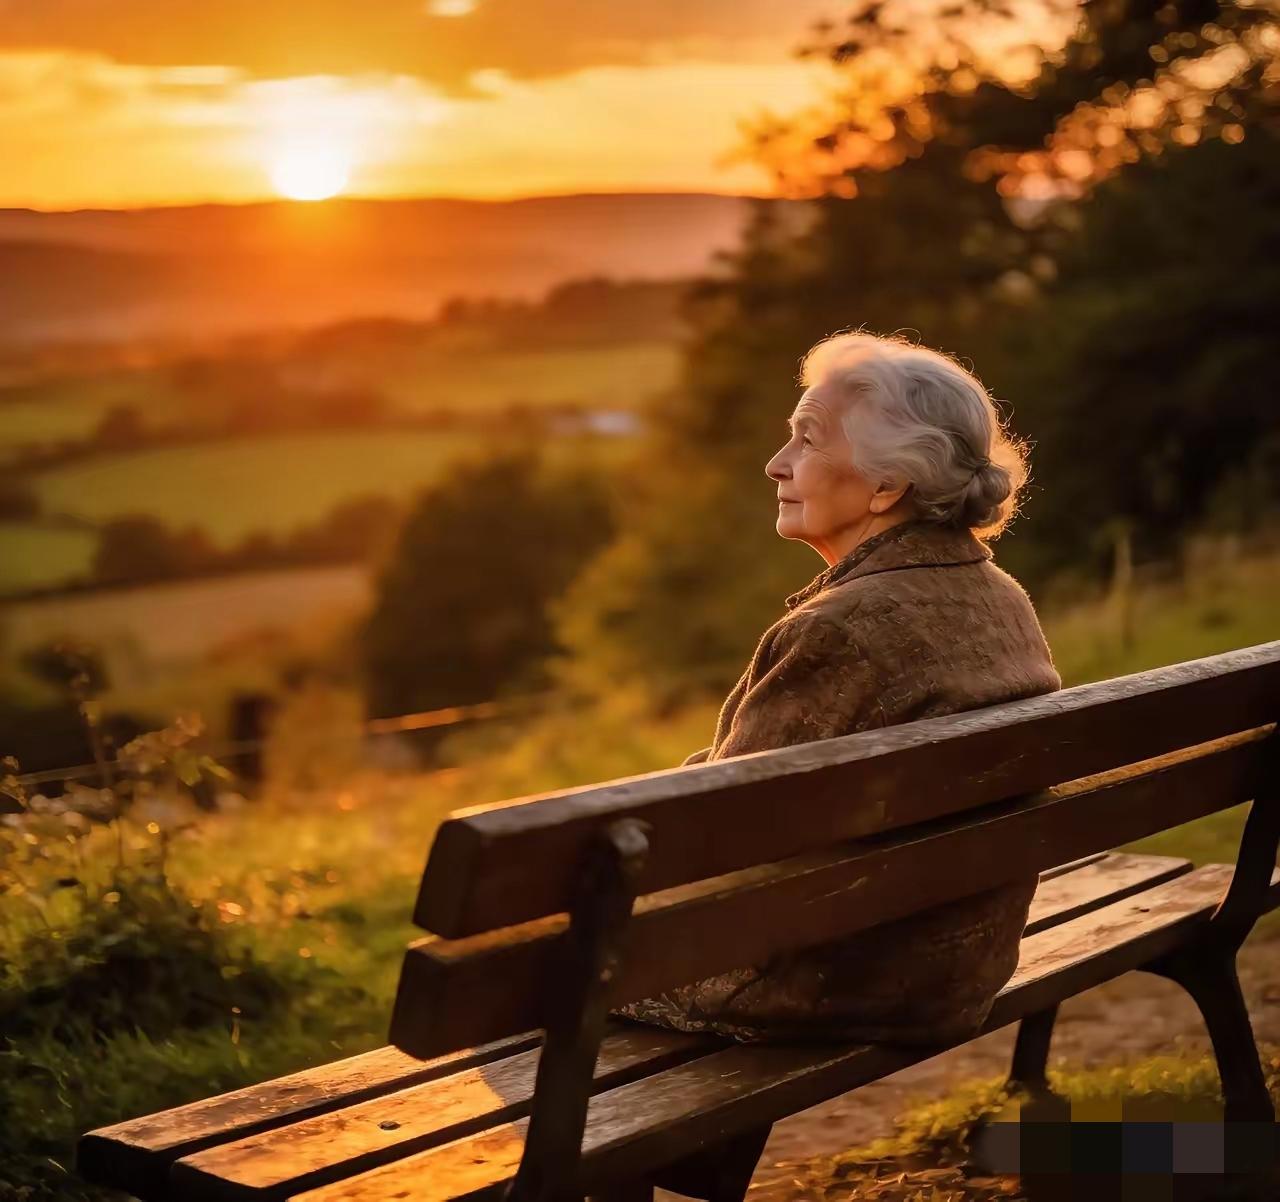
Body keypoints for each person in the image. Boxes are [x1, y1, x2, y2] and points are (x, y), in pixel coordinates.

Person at [614, 330, 1062, 1046]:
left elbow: (718, 836)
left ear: (887, 485)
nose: (776, 463)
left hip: (839, 976)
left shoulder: (839, 630)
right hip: (955, 959)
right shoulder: (1001, 596)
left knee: (550, 954)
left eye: (807, 440)